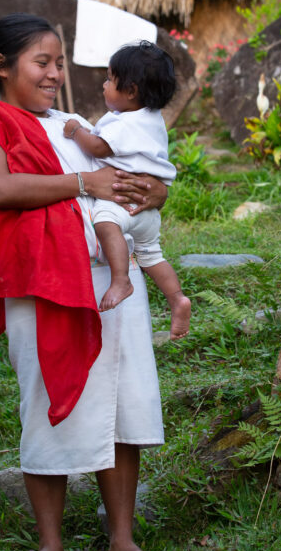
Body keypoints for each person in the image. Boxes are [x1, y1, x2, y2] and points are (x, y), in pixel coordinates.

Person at [0, 13, 168, 551]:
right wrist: (85, 182)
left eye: (59, 63)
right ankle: (50, 549)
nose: (55, 75)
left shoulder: (71, 123)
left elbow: (129, 176)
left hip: (115, 283)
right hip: (43, 287)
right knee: (46, 408)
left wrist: (153, 191)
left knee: (123, 408)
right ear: (1, 65)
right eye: (43, 62)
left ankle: (122, 543)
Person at [63, 41, 191, 340]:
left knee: (105, 225)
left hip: (121, 201)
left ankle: (120, 279)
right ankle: (177, 299)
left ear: (131, 91)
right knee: (152, 256)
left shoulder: (124, 123)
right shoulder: (152, 119)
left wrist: (75, 130)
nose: (104, 85)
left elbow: (96, 146)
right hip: (147, 210)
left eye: (109, 79)